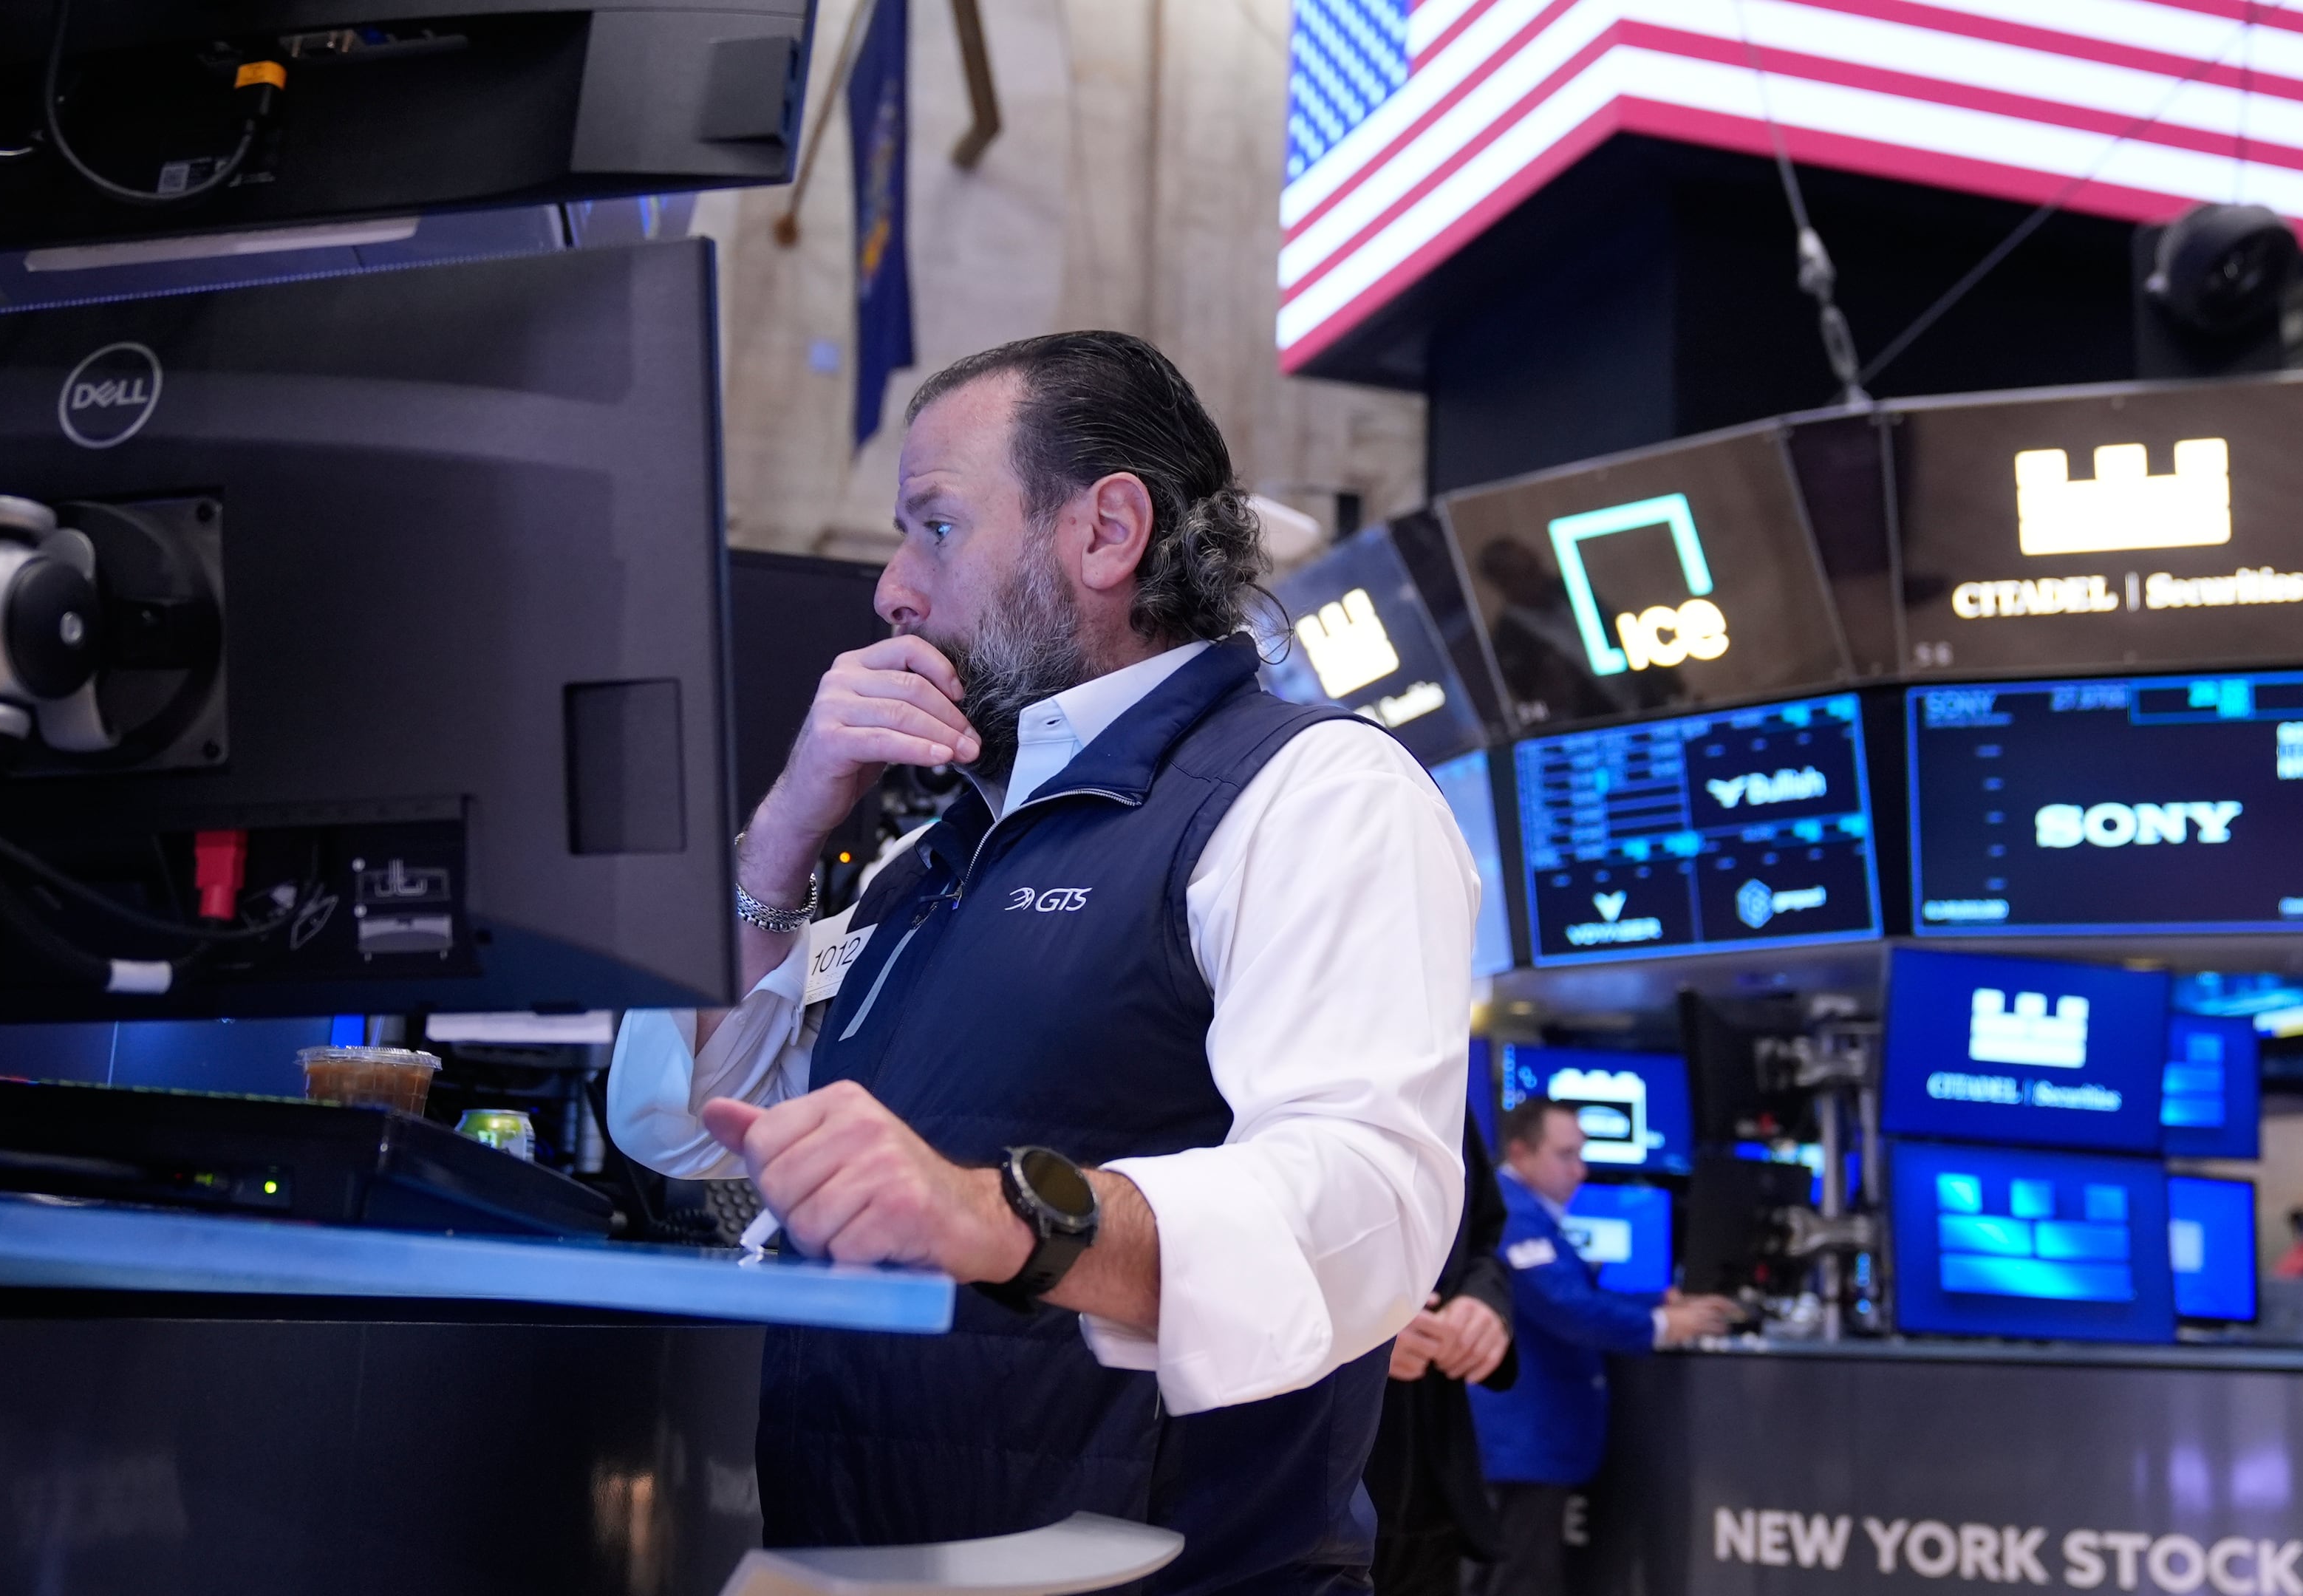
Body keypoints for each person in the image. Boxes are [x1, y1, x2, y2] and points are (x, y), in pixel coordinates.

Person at [606, 332, 1478, 1592]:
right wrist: (787, 827)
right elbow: (676, 1122)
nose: (892, 590)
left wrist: (1007, 1212)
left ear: (1107, 532)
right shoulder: (928, 864)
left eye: (936, 528)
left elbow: (1364, 1212)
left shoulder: (1314, 792)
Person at [1467, 1099, 1737, 1596]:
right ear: (1521, 1152)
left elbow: (1576, 1295)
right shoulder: (1511, 1215)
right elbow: (1564, 1307)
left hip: (1532, 1445)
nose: (1580, 1169)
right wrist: (1660, 1325)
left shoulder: (1527, 1212)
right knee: (1518, 1582)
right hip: (1523, 1443)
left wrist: (1660, 1300)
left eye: (1581, 1154)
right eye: (1565, 1154)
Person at [1365, 1112, 1518, 1596]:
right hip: (1304, 1490)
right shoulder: (1247, 1061)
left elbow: (1484, 1238)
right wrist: (1350, 1332)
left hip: (1433, 1484)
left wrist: (1484, 1302)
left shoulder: (1444, 1086)